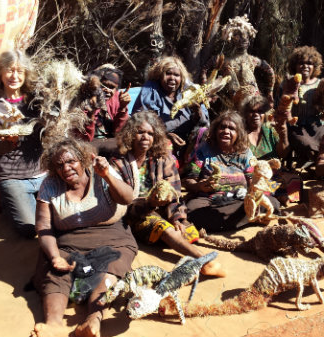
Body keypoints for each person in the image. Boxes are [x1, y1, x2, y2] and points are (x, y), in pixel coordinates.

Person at [32, 139, 137, 337]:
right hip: (68, 241)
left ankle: (93, 319)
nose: (66, 168)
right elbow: (43, 226)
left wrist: (106, 175)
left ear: (82, 160)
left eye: (71, 161)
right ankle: (53, 325)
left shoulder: (100, 173)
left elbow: (127, 198)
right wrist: (55, 256)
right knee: (56, 271)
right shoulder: (50, 184)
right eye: (59, 165)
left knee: (109, 271)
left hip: (111, 237)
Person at [111, 111, 225, 277]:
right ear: (130, 134)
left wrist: (177, 218)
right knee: (164, 228)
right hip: (134, 213)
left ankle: (178, 242)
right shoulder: (118, 163)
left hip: (162, 209)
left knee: (186, 230)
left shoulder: (163, 159)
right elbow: (121, 202)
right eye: (140, 132)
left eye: (150, 133)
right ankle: (204, 261)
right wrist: (150, 204)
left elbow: (174, 191)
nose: (145, 137)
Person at [183, 111, 280, 232]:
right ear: (215, 130)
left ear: (238, 133)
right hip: (209, 200)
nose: (226, 131)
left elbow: (252, 180)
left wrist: (255, 194)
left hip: (240, 199)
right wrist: (199, 186)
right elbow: (188, 180)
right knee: (192, 210)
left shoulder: (245, 152)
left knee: (273, 203)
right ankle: (245, 219)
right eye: (222, 127)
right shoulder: (204, 149)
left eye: (232, 129)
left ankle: (230, 221)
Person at [0, 50, 45, 238]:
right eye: (9, 71)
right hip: (13, 175)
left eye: (20, 71)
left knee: (62, 219)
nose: (14, 76)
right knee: (29, 229)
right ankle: (2, 195)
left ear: (26, 75)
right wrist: (10, 142)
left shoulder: (38, 101)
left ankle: (17, 198)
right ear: (0, 74)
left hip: (43, 171)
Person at [132, 56, 209, 150]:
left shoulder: (189, 91)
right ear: (159, 76)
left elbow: (203, 124)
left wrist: (198, 112)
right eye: (168, 74)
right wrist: (166, 136)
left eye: (176, 75)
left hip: (187, 141)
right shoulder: (150, 92)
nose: (172, 78)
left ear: (181, 78)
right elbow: (141, 124)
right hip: (158, 141)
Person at [202, 15, 275, 107]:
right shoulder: (222, 60)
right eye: (238, 35)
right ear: (231, 38)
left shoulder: (252, 60)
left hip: (256, 106)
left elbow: (270, 71)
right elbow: (204, 69)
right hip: (237, 107)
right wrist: (207, 90)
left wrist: (270, 93)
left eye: (246, 35)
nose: (244, 38)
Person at [276, 46, 324, 168]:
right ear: (295, 65)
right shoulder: (287, 82)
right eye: (301, 63)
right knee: (304, 142)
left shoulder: (319, 84)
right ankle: (317, 163)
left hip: (315, 125)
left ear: (315, 67)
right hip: (295, 126)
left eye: (309, 63)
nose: (305, 66)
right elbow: (280, 103)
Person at [79, 64, 131, 157]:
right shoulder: (82, 100)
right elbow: (83, 139)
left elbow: (120, 133)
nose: (107, 90)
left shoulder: (116, 99)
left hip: (111, 145)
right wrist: (91, 113)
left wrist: (122, 108)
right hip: (88, 147)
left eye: (112, 87)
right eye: (104, 85)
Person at [241, 94, 288, 160]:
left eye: (260, 111)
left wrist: (283, 136)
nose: (256, 114)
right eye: (252, 111)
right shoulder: (240, 133)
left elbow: (283, 154)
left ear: (265, 114)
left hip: (271, 169)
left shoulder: (271, 131)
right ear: (245, 113)